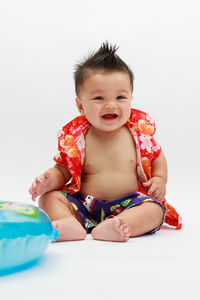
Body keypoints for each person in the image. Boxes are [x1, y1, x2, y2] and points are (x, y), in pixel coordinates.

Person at [29, 42, 182, 242]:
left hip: (129, 203)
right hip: (84, 205)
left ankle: (120, 225)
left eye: (120, 97)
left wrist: (160, 179)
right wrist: (50, 180)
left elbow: (157, 157)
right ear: (80, 106)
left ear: (131, 99)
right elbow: (64, 169)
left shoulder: (138, 135)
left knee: (154, 209)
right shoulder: (78, 139)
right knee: (48, 198)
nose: (111, 104)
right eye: (99, 98)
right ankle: (69, 223)